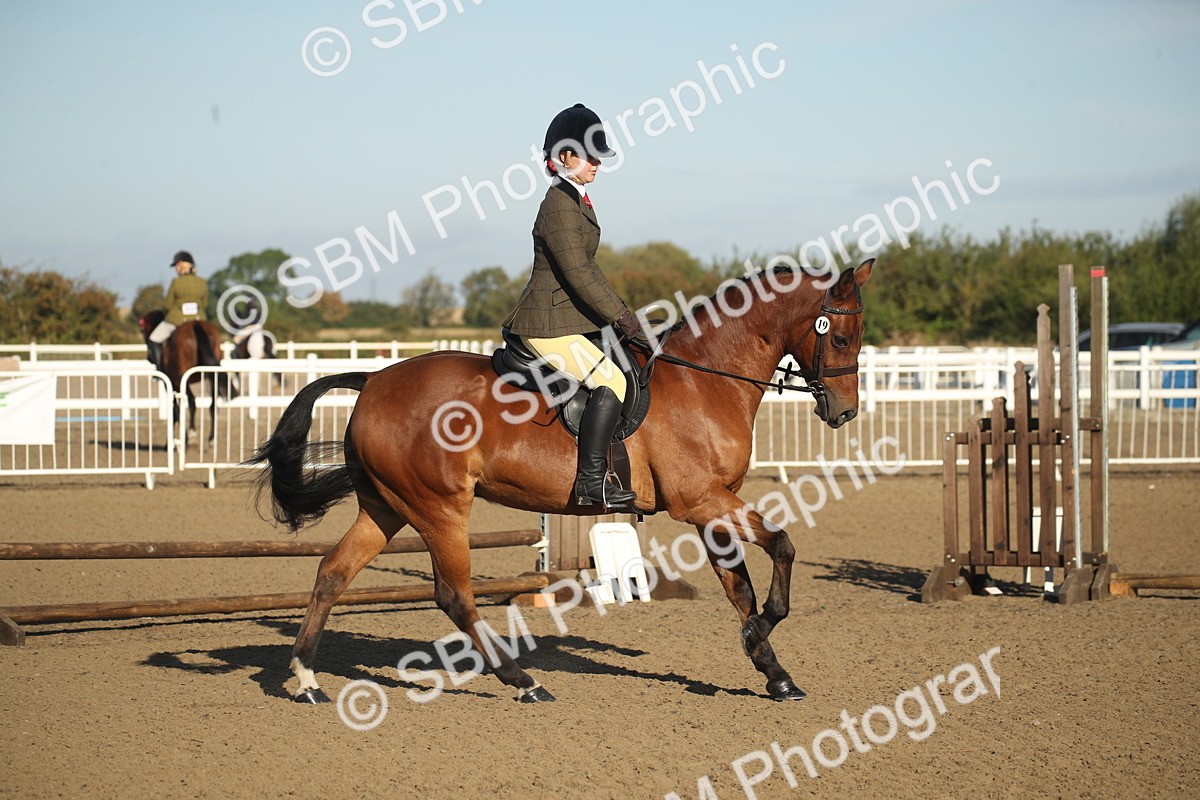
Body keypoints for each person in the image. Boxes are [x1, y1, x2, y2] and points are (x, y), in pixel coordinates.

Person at [502, 103, 649, 509]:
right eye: (589, 154)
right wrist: (620, 316)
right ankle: (589, 484)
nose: (598, 163)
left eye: (599, 155)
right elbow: (578, 272)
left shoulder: (577, 199)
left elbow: (590, 269)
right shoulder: (558, 205)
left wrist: (625, 314)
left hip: (568, 319)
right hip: (545, 323)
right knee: (612, 382)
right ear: (564, 156)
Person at [148, 250, 208, 370]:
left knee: (153, 339)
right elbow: (204, 303)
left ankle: (160, 369)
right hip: (199, 318)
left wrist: (167, 313)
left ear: (180, 265)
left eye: (176, 266)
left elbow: (167, 305)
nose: (176, 269)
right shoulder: (202, 282)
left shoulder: (176, 282)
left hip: (177, 319)